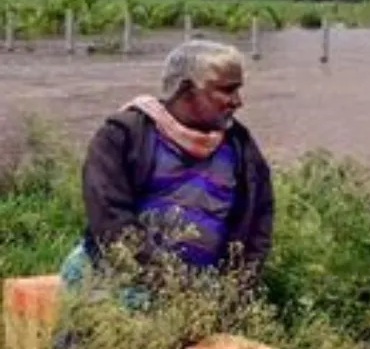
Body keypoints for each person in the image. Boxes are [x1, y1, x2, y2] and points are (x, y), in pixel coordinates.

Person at [60, 38, 275, 306]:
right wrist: (166, 281)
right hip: (113, 281)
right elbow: (110, 217)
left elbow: (258, 225)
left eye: (238, 90)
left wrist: (236, 290)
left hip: (199, 296)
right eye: (227, 90)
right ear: (186, 90)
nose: (237, 101)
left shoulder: (240, 147)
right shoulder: (125, 135)